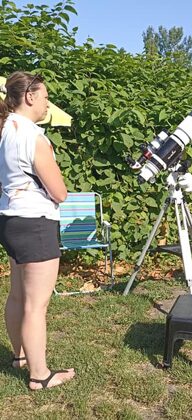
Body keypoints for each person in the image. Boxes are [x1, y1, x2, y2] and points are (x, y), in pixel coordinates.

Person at [0, 71, 75, 390]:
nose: (47, 103)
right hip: (36, 224)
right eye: (45, 97)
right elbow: (59, 192)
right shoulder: (33, 137)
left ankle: (20, 356)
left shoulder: (6, 130)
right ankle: (39, 375)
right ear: (29, 97)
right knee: (36, 304)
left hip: (10, 220)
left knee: (17, 294)